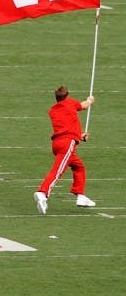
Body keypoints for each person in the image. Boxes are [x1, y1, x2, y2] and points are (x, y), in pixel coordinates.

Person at [33, 86, 96, 215]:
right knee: (57, 170)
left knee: (79, 167)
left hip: (58, 143)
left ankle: (80, 196)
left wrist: (79, 136)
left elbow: (66, 126)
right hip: (67, 144)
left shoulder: (53, 110)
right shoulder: (70, 103)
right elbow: (82, 106)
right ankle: (43, 192)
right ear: (67, 96)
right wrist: (89, 101)